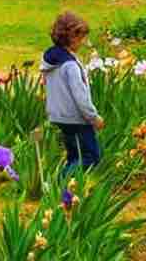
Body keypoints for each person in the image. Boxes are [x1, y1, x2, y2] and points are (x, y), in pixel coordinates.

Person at [41, 11, 104, 176]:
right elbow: (80, 96)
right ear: (71, 37)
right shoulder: (70, 65)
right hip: (77, 119)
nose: (83, 42)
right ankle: (61, 183)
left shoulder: (50, 61)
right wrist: (93, 117)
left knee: (74, 155)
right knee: (90, 156)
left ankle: (67, 190)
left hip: (59, 116)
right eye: (81, 37)